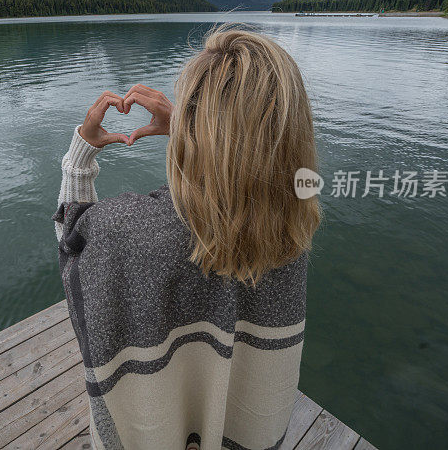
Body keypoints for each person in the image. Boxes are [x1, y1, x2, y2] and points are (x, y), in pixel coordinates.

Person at [51, 26, 321, 450]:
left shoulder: (126, 233)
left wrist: (81, 155)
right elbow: (249, 177)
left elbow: (71, 242)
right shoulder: (291, 231)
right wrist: (195, 131)